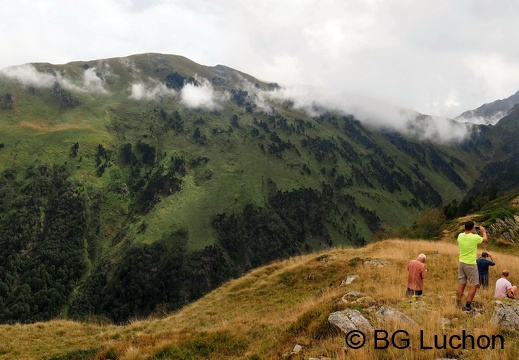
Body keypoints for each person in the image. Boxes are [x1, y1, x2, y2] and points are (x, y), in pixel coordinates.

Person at [456, 221, 488, 311]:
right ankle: (468, 305)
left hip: (461, 262)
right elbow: (485, 239)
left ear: (465, 227)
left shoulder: (460, 235)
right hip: (470, 263)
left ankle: (458, 302)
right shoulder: (475, 237)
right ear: (473, 228)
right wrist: (483, 231)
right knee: (474, 285)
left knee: (462, 283)